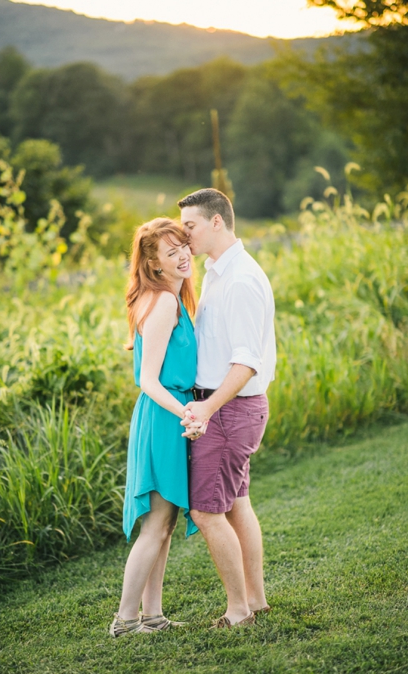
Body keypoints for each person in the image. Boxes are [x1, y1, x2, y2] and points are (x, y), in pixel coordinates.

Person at [178, 188, 276, 629]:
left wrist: (207, 409)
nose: (184, 237)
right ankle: (254, 601)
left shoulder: (240, 280)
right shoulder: (217, 271)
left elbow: (246, 361)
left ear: (217, 222)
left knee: (206, 511)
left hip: (229, 408)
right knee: (236, 504)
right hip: (229, 408)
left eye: (190, 227)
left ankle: (238, 611)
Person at [110, 218, 200, 637]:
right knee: (157, 524)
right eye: (171, 251)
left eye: (183, 245)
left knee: (162, 524)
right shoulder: (163, 302)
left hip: (164, 413)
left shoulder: (169, 296)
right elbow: (148, 379)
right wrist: (186, 413)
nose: (183, 254)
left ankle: (153, 616)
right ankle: (125, 621)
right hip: (164, 415)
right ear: (153, 263)